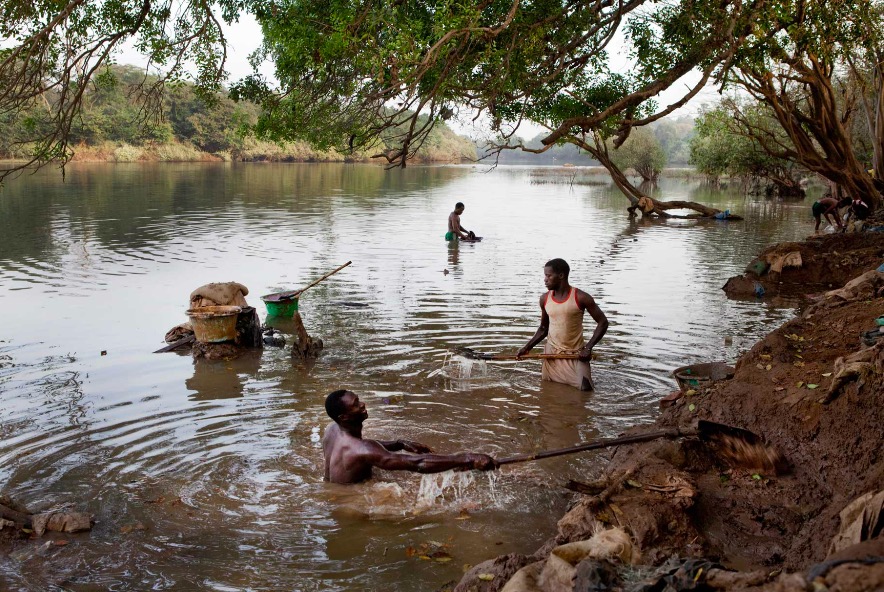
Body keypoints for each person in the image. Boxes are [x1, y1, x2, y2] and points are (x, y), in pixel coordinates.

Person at [322, 390, 497, 484]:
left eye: (359, 400)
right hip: (351, 502)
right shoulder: (362, 449)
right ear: (343, 417)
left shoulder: (332, 430)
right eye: (355, 405)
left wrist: (399, 443)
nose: (362, 404)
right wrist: (467, 458)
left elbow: (364, 450)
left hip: (334, 490)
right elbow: (417, 463)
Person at [516, 259, 608, 391]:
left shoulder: (581, 297)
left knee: (586, 390)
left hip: (576, 354)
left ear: (561, 276)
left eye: (549, 275)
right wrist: (527, 347)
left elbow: (603, 322)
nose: (545, 280)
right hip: (552, 354)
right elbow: (543, 328)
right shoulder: (544, 299)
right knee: (549, 389)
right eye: (545, 276)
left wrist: (588, 348)